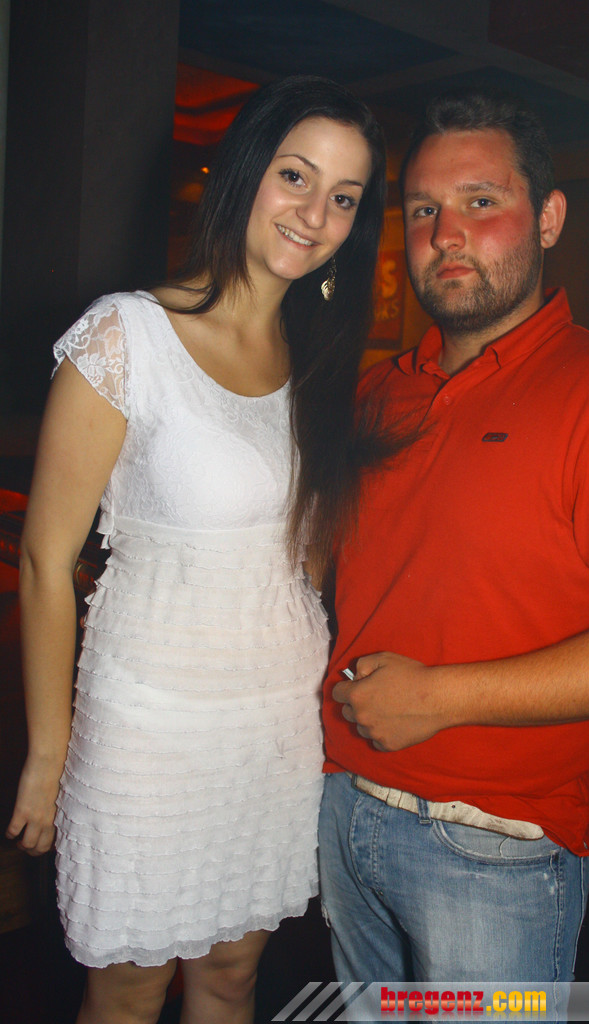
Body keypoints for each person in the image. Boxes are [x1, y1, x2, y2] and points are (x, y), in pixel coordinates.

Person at [6, 75, 386, 1024]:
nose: (315, 214)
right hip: (150, 724)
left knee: (231, 977)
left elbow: (305, 562)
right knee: (129, 987)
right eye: (296, 176)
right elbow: (45, 561)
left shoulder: (322, 360)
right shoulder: (128, 334)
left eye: (344, 197)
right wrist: (48, 753)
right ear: (247, 170)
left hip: (273, 727)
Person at [319, 89, 589, 990]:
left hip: (494, 845)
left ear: (548, 218)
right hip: (339, 805)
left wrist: (440, 697)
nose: (447, 233)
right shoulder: (375, 394)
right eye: (423, 210)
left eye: (481, 201)